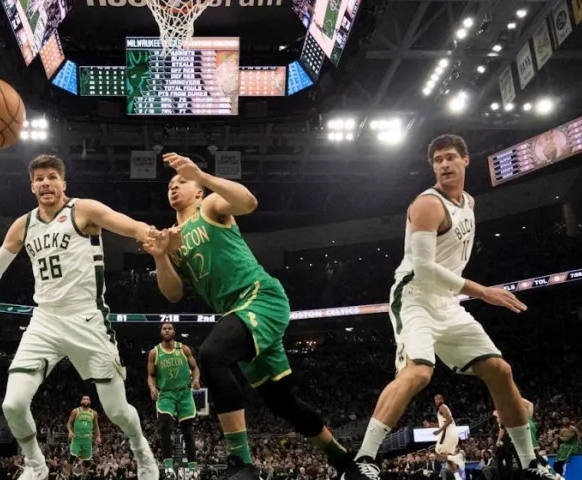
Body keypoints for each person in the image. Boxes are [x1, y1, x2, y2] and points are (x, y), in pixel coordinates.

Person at [0, 154, 159, 480]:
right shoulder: (23, 224)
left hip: (87, 319)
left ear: (64, 183)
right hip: (44, 320)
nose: (46, 183)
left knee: (117, 411)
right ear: (32, 186)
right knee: (12, 405)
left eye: (52, 177)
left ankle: (140, 449)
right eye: (39, 178)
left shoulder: (83, 210)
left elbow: (129, 225)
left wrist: (153, 236)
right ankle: (35, 463)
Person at [342, 134, 555, 480]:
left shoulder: (468, 202)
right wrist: (482, 291)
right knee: (419, 373)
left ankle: (530, 462)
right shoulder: (427, 205)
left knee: (500, 370)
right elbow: (424, 269)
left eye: (450, 157)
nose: (443, 164)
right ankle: (363, 460)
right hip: (414, 298)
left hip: (447, 302)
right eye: (437, 160)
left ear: (465, 160)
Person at [143, 152, 352, 480]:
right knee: (282, 403)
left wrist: (204, 175)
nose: (174, 186)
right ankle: (344, 462)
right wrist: (160, 256)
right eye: (170, 184)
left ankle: (241, 462)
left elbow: (249, 202)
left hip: (260, 298)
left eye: (182, 181)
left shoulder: (210, 206)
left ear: (198, 190)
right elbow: (173, 294)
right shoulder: (172, 238)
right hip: (235, 313)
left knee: (211, 355)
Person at [147, 322, 200, 478]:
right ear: (160, 332)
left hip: (184, 393)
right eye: (164, 328)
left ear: (174, 331)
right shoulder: (154, 352)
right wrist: (152, 388)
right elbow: (151, 375)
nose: (167, 330)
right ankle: (168, 466)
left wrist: (196, 380)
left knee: (187, 431)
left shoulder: (183, 349)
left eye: (170, 328)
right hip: (166, 394)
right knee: (164, 426)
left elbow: (195, 368)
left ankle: (192, 468)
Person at [61, 395, 101, 480]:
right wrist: (70, 431)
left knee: (87, 462)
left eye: (87, 399)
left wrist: (98, 436)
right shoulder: (75, 411)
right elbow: (69, 423)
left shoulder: (94, 413)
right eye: (84, 399)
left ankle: (83, 477)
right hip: (77, 438)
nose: (85, 400)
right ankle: (67, 476)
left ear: (89, 402)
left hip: (87, 440)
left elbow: (96, 426)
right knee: (72, 457)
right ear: (81, 402)